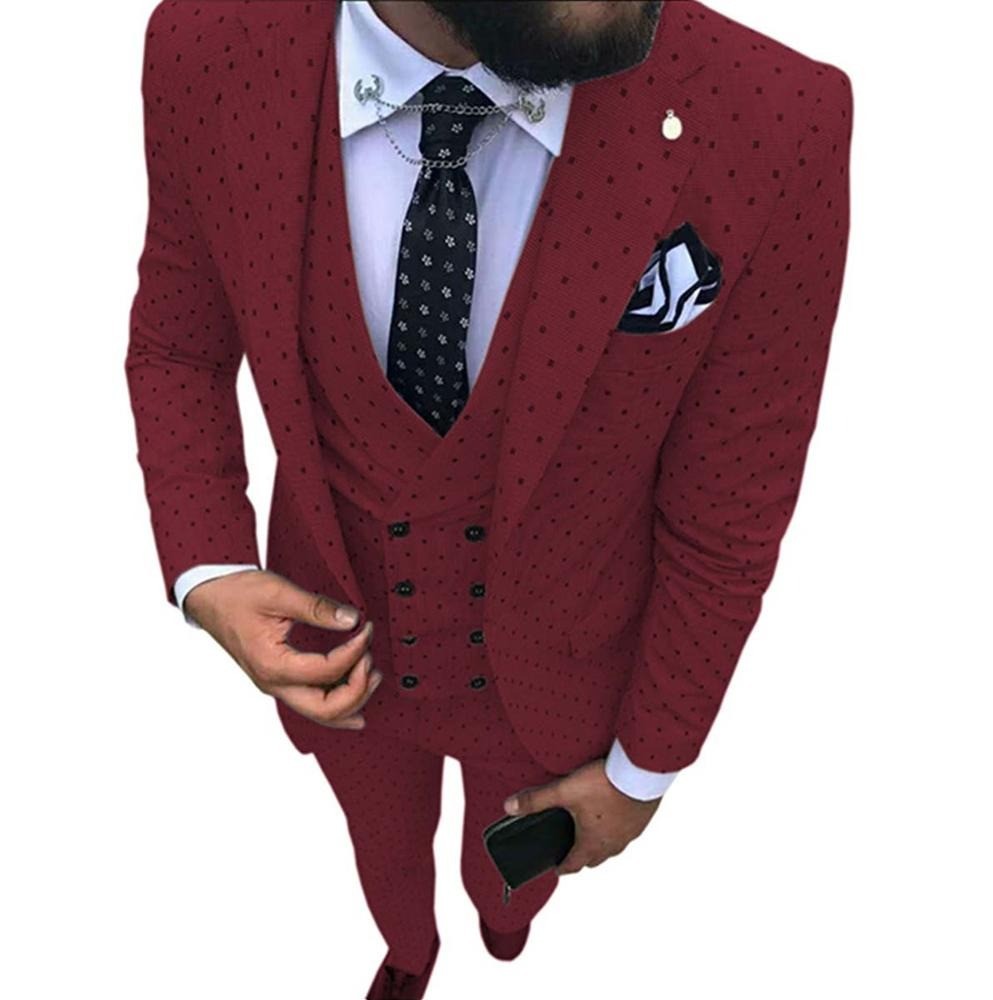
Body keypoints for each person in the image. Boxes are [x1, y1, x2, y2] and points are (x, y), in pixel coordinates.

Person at [125, 2, 853, 996]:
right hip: (334, 644)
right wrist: (208, 564)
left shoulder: (776, 116)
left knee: (511, 873)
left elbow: (729, 506)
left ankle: (500, 929)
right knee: (380, 844)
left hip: (561, 680)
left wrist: (645, 766)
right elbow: (178, 340)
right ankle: (407, 947)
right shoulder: (204, 49)